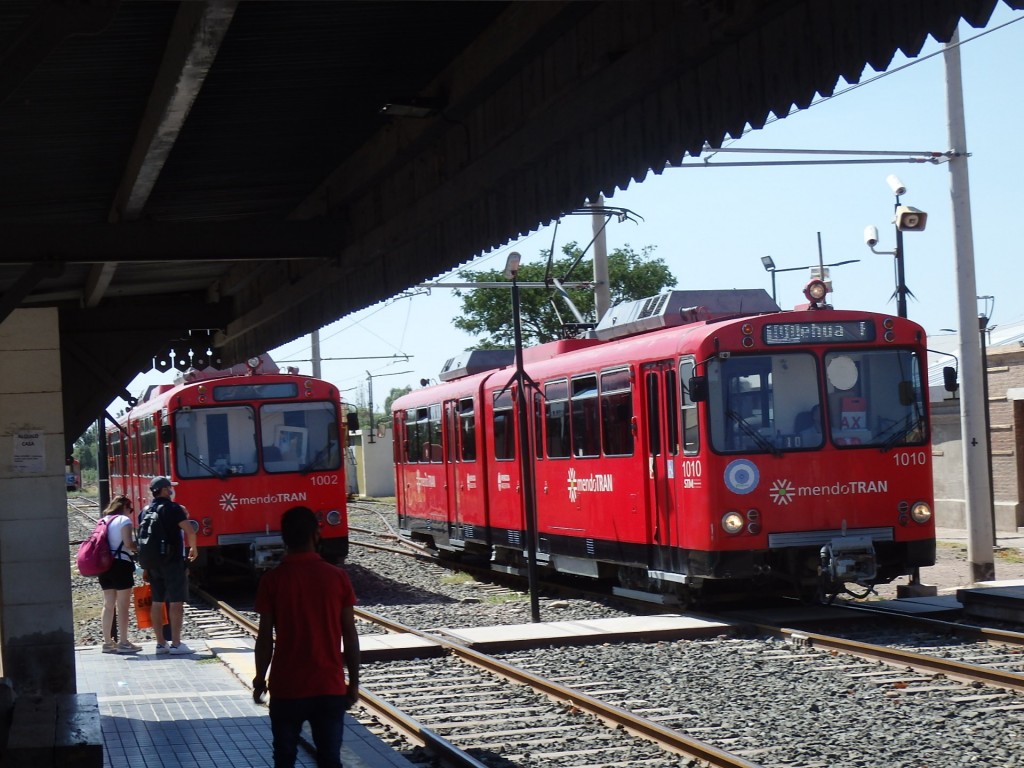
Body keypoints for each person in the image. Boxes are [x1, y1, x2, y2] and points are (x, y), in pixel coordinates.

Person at [253, 506, 360, 768]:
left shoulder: (272, 580)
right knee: (330, 759)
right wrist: (354, 682)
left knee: (284, 758)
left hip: (287, 687)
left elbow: (264, 638)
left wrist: (259, 679)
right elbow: (350, 633)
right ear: (316, 535)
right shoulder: (337, 577)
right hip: (328, 686)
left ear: (284, 539)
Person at [144, 476, 198, 655]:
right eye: (170, 488)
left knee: (157, 602)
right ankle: (176, 644)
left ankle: (160, 644)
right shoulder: (173, 509)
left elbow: (144, 539)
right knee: (176, 602)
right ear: (165, 490)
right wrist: (194, 549)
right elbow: (190, 530)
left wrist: (145, 566)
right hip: (172, 562)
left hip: (153, 563)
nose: (172, 491)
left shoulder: (145, 510)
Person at [98, 495, 141, 654]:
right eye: (130, 509)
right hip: (121, 564)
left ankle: (107, 643)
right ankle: (123, 642)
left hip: (104, 565)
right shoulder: (124, 521)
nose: (130, 512)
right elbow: (128, 544)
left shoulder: (103, 520)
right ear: (125, 507)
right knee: (123, 605)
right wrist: (139, 549)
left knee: (108, 604)